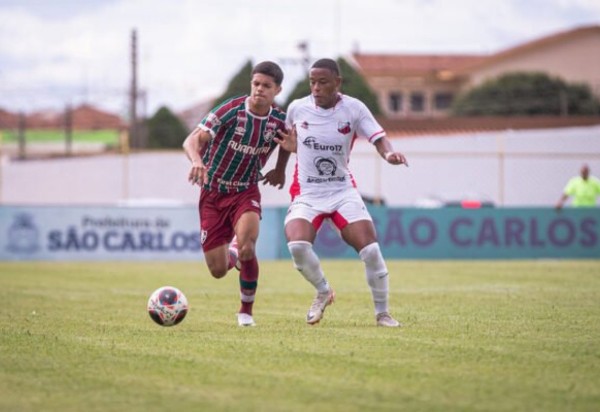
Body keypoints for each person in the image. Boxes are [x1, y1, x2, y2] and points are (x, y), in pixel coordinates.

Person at [274, 58, 408, 327]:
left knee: (370, 250)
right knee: (298, 245)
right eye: (312, 82)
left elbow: (378, 138)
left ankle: (382, 313)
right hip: (308, 192)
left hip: (341, 191)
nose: (316, 87)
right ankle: (323, 291)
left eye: (323, 82)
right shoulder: (297, 108)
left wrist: (389, 153)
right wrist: (279, 169)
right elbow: (287, 141)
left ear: (337, 82)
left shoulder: (354, 108)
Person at [183, 61, 290, 327]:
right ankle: (232, 251)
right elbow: (191, 139)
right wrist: (197, 161)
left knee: (248, 248)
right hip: (213, 193)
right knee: (218, 270)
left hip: (245, 191)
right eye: (256, 84)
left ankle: (245, 312)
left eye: (266, 86)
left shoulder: (278, 120)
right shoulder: (231, 110)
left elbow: (288, 141)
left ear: (277, 90)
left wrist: (280, 168)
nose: (259, 90)